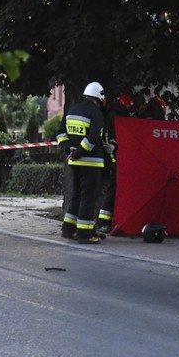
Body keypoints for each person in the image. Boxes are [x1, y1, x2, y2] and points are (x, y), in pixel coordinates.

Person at [57, 81, 106, 244]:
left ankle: (68, 229)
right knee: (89, 197)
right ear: (98, 97)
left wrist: (68, 149)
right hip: (91, 163)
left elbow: (61, 133)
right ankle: (85, 234)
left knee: (77, 195)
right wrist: (79, 152)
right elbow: (93, 138)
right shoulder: (96, 113)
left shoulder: (72, 109)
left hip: (75, 163)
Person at [97, 92, 137, 233]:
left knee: (110, 189)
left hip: (109, 157)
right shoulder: (118, 117)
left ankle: (103, 220)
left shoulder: (110, 114)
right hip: (114, 158)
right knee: (112, 190)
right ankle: (103, 221)